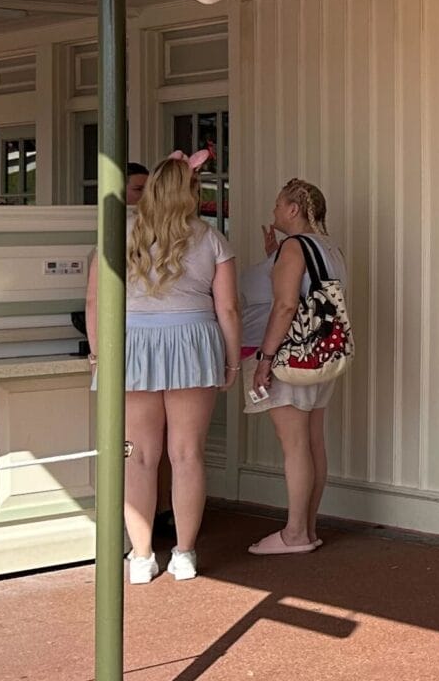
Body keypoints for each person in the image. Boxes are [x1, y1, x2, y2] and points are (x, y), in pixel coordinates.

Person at [85, 155, 233, 582]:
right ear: (192, 192)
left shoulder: (116, 235)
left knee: (140, 455)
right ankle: (184, 554)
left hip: (133, 345)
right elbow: (228, 306)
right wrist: (229, 361)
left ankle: (142, 555)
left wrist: (99, 355)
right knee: (187, 454)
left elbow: (95, 301)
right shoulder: (212, 239)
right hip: (192, 342)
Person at [243, 179, 348, 556]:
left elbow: (285, 306)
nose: (273, 212)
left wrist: (265, 359)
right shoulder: (329, 246)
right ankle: (308, 526)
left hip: (291, 358)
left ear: (293, 210)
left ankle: (294, 534)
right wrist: (275, 257)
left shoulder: (294, 248)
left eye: (277, 205)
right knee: (313, 442)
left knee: (294, 446)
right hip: (323, 357)